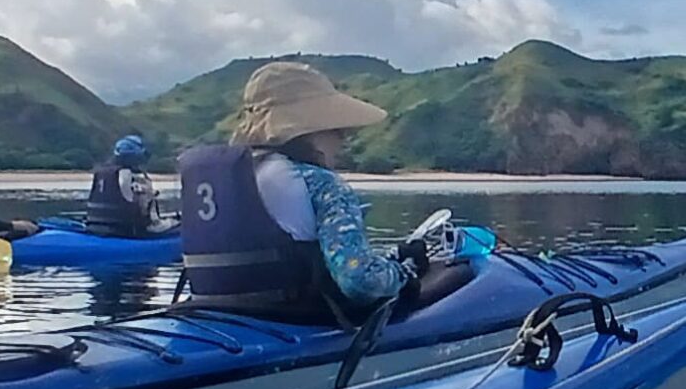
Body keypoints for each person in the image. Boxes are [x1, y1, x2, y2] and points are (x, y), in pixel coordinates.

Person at [175, 61, 469, 322]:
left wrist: (390, 260)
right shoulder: (320, 184)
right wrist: (404, 272)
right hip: (294, 318)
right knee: (460, 274)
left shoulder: (230, 176)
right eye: (338, 129)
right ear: (311, 129)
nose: (344, 138)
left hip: (215, 312)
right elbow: (359, 281)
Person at [83, 134, 169, 238]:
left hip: (94, 226)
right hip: (123, 230)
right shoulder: (126, 174)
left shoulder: (100, 172)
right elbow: (134, 202)